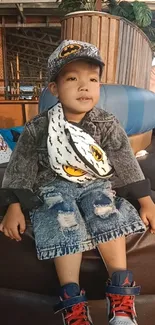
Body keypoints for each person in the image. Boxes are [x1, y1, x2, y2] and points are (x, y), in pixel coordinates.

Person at [0, 40, 155, 325]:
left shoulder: (106, 123)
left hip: (96, 185)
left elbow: (124, 160)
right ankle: (72, 301)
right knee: (63, 220)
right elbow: (21, 167)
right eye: (72, 78)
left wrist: (146, 200)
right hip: (53, 190)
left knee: (105, 211)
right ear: (54, 89)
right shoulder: (39, 127)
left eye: (92, 79)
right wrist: (14, 205)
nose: (84, 86)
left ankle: (121, 298)